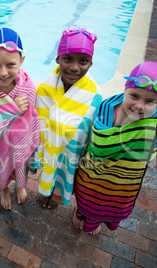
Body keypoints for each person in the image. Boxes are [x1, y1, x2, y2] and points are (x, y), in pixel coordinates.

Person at [73, 61, 157, 235]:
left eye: (150, 101)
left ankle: (95, 222)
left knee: (110, 207)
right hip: (94, 175)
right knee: (88, 201)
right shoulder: (107, 107)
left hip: (123, 182)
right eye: (134, 96)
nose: (139, 106)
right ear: (125, 89)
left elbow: (147, 157)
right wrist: (140, 133)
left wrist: (148, 136)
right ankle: (82, 214)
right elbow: (99, 147)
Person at [31, 26, 103, 209]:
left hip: (72, 150)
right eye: (68, 59)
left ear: (91, 63)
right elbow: (38, 123)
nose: (74, 67)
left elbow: (96, 130)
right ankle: (46, 190)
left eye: (83, 61)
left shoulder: (94, 96)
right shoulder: (45, 88)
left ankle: (55, 195)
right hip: (51, 145)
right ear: (58, 59)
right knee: (51, 161)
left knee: (65, 168)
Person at [0, 27, 40, 210]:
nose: (3, 72)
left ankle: (20, 186)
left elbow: (31, 121)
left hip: (19, 141)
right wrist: (11, 109)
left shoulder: (28, 88)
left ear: (21, 61)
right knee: (2, 168)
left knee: (20, 166)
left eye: (11, 65)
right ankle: (4, 190)